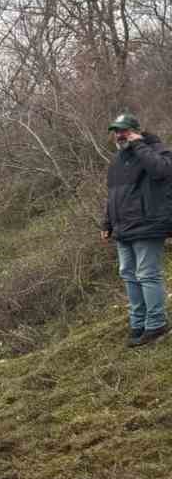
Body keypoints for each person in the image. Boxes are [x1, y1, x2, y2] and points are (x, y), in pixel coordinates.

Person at [100, 111, 172, 347]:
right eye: (117, 131)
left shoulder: (156, 150)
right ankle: (138, 323)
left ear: (136, 130)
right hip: (123, 228)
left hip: (148, 224)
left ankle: (156, 325)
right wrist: (107, 223)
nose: (120, 135)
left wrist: (139, 144)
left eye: (124, 130)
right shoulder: (117, 161)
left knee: (147, 274)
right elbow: (113, 196)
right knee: (128, 275)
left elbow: (162, 171)